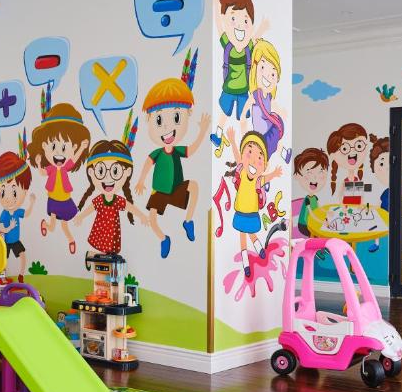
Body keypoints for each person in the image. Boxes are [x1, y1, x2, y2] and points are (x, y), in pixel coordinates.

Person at [134, 77, 211, 258]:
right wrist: (141, 181)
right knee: (152, 219)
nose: (167, 126)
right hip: (159, 191)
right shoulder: (157, 153)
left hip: (176, 188)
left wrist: (202, 132)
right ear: (149, 120)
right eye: (159, 120)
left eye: (176, 117)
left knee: (194, 186)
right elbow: (147, 164)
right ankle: (163, 238)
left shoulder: (177, 150)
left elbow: (191, 149)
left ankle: (188, 221)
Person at [211, 0, 268, 155]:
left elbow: (255, 38)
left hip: (244, 90)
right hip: (229, 88)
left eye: (245, 20)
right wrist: (215, 6)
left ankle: (246, 143)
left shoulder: (248, 47)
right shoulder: (227, 46)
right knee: (224, 113)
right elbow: (219, 26)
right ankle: (218, 135)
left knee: (243, 118)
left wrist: (262, 28)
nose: (240, 26)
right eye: (233, 18)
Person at [28, 102, 90, 255]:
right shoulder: (50, 168)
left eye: (64, 148)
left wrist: (82, 148)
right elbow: (43, 173)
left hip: (65, 199)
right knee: (53, 225)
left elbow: (74, 159)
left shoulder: (65, 166)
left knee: (64, 224)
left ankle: (71, 240)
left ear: (72, 148)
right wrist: (38, 163)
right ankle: (45, 225)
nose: (58, 153)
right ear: (45, 147)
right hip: (53, 200)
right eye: (53, 147)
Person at [226, 127, 283, 279]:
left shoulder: (258, 180)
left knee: (250, 232)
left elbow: (267, 178)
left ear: (264, 165)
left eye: (259, 157)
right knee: (243, 236)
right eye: (249, 152)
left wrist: (275, 173)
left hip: (251, 213)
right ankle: (246, 263)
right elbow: (237, 156)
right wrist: (232, 141)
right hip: (240, 212)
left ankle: (258, 248)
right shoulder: (242, 172)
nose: (253, 160)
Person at [73, 140, 144, 255]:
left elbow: (129, 207)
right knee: (101, 248)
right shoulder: (100, 199)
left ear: (127, 172)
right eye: (100, 171)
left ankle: (99, 256)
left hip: (112, 232)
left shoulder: (117, 200)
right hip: (100, 230)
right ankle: (95, 256)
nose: (107, 178)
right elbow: (91, 208)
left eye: (115, 171)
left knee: (109, 250)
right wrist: (81, 216)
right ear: (91, 172)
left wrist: (142, 216)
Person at [0, 151, 36, 280]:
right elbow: (2, 229)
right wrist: (10, 227)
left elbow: (26, 214)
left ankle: (21, 274)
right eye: (3, 192)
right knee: (3, 259)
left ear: (25, 191)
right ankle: (2, 276)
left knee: (22, 255)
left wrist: (32, 203)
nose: (8, 199)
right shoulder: (4, 214)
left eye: (15, 192)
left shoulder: (17, 211)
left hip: (16, 240)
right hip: (6, 241)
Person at [247, 39, 285, 158]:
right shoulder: (255, 95)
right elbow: (245, 111)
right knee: (267, 149)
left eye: (273, 74)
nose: (268, 76)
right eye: (263, 67)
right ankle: (282, 153)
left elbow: (274, 106)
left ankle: (284, 153)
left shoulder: (268, 96)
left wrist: (281, 112)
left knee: (277, 130)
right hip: (262, 135)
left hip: (269, 129)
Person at [293, 147, 329, 238]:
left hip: (312, 222)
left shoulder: (315, 198)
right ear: (297, 175)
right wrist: (321, 221)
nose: (315, 178)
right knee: (320, 234)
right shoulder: (307, 200)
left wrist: (327, 212)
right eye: (309, 173)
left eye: (320, 172)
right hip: (305, 225)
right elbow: (311, 214)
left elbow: (319, 209)